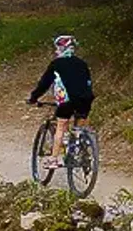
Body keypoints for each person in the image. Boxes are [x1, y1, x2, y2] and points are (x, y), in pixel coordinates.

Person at [28, 35, 94, 169]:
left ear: (61, 49)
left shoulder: (56, 64)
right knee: (78, 127)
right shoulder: (82, 63)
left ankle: (53, 159)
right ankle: (80, 150)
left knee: (61, 126)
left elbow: (44, 84)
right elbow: (88, 82)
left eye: (57, 48)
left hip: (67, 101)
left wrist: (33, 98)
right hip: (86, 99)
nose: (56, 51)